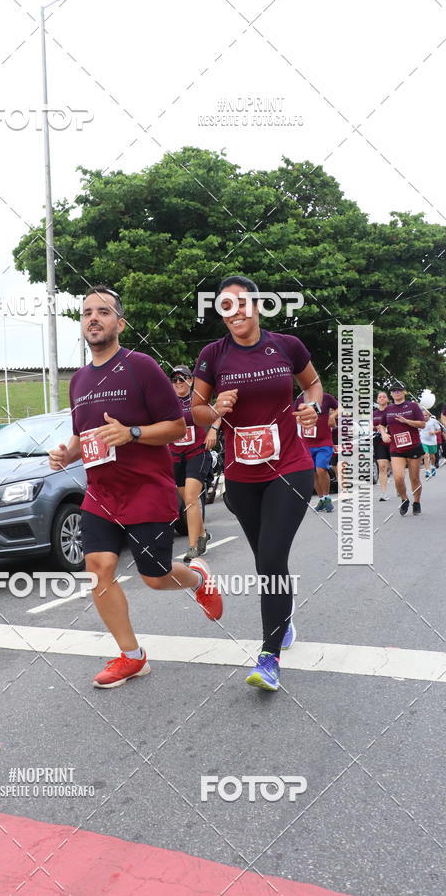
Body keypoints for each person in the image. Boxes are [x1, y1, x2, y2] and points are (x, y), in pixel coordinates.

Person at [48, 286, 222, 689]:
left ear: (119, 323)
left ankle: (198, 579)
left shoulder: (141, 367)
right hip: (102, 493)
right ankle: (132, 656)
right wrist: (66, 456)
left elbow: (178, 426)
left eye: (103, 312)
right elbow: (84, 437)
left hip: (146, 489)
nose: (93, 318)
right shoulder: (78, 381)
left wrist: (133, 433)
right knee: (99, 569)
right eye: (87, 312)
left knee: (155, 576)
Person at [192, 275, 322, 693]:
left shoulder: (286, 345)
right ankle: (282, 616)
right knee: (268, 561)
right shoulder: (212, 355)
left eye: (243, 302)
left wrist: (312, 408)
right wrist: (214, 410)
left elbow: (313, 385)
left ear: (259, 305)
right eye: (226, 305)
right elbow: (194, 412)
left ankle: (269, 659)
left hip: (289, 466)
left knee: (269, 557)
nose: (236, 311)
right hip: (242, 475)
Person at [168, 365, 216, 562]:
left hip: (197, 452)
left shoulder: (198, 398)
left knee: (190, 498)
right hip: (175, 456)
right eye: (175, 380)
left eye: (183, 378)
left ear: (191, 380)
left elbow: (217, 413)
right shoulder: (166, 402)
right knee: (186, 501)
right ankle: (203, 535)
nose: (179, 383)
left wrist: (213, 430)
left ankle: (193, 546)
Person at [376, 383, 426, 516]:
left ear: (404, 392)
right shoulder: (389, 409)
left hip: (413, 446)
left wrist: (407, 421)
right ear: (391, 394)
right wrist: (384, 434)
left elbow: (422, 424)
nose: (396, 392)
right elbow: (381, 425)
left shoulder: (413, 406)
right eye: (393, 391)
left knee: (414, 478)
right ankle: (404, 499)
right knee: (398, 477)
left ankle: (416, 502)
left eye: (399, 390)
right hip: (396, 447)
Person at [293, 391, 338, 512]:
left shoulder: (326, 397)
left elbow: (340, 408)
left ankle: (327, 497)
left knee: (321, 469)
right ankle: (322, 499)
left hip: (324, 442)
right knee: (312, 473)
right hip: (307, 443)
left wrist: (332, 416)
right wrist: (297, 418)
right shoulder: (300, 400)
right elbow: (292, 415)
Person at [373, 391, 392, 501]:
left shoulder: (392, 411)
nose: (382, 398)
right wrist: (376, 428)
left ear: (388, 399)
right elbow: (370, 425)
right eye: (380, 397)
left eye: (384, 397)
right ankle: (384, 493)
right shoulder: (374, 413)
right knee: (382, 466)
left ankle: (400, 488)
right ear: (377, 400)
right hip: (379, 442)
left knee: (395, 467)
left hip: (392, 441)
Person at [420, 410, 441, 478]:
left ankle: (433, 466)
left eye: (426, 415)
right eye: (423, 415)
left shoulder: (433, 421)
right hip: (423, 441)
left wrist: (434, 432)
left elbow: (439, 430)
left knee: (432, 456)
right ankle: (427, 471)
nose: (424, 417)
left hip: (432, 441)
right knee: (426, 455)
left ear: (429, 415)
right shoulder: (420, 421)